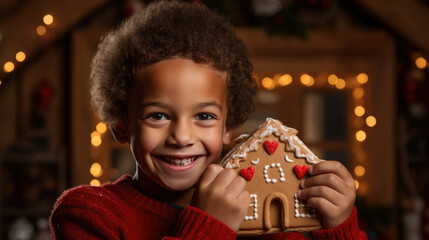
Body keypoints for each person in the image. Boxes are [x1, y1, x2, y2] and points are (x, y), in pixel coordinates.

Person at [50, 1, 367, 239]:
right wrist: (209, 228)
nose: (182, 136)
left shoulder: (267, 216)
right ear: (123, 123)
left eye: (204, 116)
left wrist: (340, 228)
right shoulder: (90, 214)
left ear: (228, 127)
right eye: (158, 116)